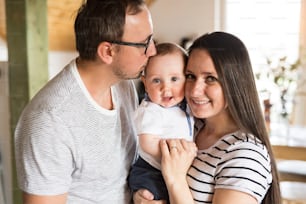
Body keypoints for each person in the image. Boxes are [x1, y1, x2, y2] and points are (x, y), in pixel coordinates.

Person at [14, 0, 164, 203]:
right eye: (144, 44)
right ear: (107, 52)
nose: (152, 51)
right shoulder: (49, 121)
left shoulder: (123, 85)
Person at [159, 32, 281, 204]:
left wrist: (176, 180)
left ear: (234, 82)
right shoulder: (187, 127)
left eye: (210, 78)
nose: (194, 91)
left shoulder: (246, 153)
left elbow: (175, 183)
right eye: (190, 76)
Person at [128, 43, 194, 201]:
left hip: (173, 168)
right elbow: (147, 143)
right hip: (151, 170)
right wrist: (177, 154)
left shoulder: (183, 107)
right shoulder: (151, 111)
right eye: (156, 81)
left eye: (174, 79)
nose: (166, 88)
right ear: (145, 83)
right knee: (154, 195)